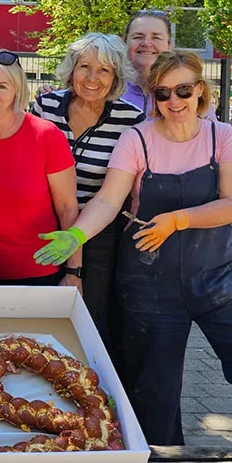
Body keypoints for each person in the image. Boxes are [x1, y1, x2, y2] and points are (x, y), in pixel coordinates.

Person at [34, 52, 232, 446]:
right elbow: (109, 201)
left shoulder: (222, 136)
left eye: (183, 90)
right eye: (163, 93)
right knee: (153, 391)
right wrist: (76, 235)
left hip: (217, 280)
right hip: (150, 285)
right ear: (153, 98)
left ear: (200, 90)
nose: (174, 101)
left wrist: (177, 219)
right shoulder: (137, 138)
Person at [33, 33, 144, 365]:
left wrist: (75, 265)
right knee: (41, 313)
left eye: (105, 70)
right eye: (85, 67)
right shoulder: (46, 106)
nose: (93, 79)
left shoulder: (129, 119)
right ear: (71, 69)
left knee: (88, 316)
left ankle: (88, 384)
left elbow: (119, 192)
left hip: (97, 231)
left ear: (116, 77)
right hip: (45, 224)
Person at [0, 47, 78, 287]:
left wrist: (74, 271)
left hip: (39, 272)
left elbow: (67, 208)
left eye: (2, 86)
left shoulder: (46, 135)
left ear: (17, 90)